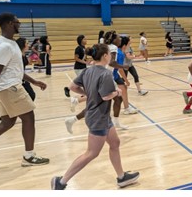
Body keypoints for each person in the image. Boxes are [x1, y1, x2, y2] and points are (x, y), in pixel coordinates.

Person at [51, 44, 140, 190]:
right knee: (91, 153)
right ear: (105, 56)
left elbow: (72, 87)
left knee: (115, 143)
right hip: (98, 117)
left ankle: (121, 177)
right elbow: (106, 97)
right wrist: (118, 92)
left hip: (102, 116)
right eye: (110, 54)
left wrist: (88, 93)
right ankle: (61, 182)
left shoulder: (88, 70)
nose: (111, 56)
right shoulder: (105, 74)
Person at [0, 12, 49, 166]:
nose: (19, 24)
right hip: (10, 88)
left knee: (7, 123)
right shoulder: (4, 46)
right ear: (9, 24)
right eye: (17, 22)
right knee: (29, 117)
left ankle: (28, 156)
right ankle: (29, 156)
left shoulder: (11, 43)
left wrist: (34, 81)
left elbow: (15, 70)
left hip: (9, 86)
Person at [64, 35, 89, 111]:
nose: (86, 40)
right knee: (84, 81)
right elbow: (76, 58)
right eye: (84, 39)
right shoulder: (78, 48)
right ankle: (85, 95)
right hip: (78, 68)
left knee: (80, 81)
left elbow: (84, 57)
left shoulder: (84, 48)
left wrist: (87, 61)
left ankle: (68, 88)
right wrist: (84, 62)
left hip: (83, 67)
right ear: (81, 40)